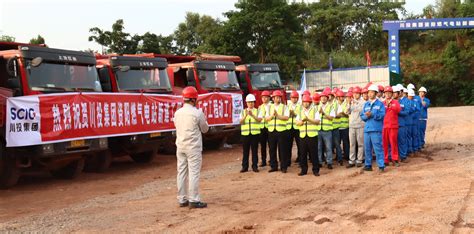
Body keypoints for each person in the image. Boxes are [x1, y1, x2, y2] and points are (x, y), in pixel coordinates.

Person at [173, 86, 209, 209]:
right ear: (194, 99)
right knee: (193, 173)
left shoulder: (177, 113)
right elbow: (205, 129)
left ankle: (182, 199)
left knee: (181, 172)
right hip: (193, 147)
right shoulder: (197, 113)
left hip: (180, 146)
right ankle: (194, 199)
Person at [360, 84, 386, 172]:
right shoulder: (366, 104)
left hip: (376, 129)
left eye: (371, 92)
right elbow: (362, 116)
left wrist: (373, 114)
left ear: (375, 93)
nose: (370, 94)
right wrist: (367, 116)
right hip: (367, 129)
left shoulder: (380, 104)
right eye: (369, 92)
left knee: (378, 148)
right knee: (367, 148)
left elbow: (382, 115)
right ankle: (368, 165)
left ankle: (381, 165)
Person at [265, 90, 289, 173]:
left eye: (279, 97)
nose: (277, 99)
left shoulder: (284, 107)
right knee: (272, 149)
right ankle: (273, 166)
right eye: (276, 97)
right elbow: (266, 118)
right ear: (273, 98)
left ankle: (283, 167)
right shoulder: (269, 107)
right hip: (271, 130)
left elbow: (286, 117)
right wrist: (272, 115)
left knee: (282, 149)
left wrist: (278, 116)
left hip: (281, 131)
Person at [296, 95, 320, 176]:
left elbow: (317, 121)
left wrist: (308, 119)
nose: (305, 104)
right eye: (304, 102)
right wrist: (302, 121)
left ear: (310, 103)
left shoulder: (314, 110)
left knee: (314, 154)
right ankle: (303, 170)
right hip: (303, 135)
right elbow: (297, 122)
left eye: (307, 102)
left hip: (312, 135)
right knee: (303, 154)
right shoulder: (300, 111)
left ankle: (315, 170)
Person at [240, 94, 262, 173]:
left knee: (254, 151)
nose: (250, 104)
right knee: (245, 151)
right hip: (245, 134)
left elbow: (259, 120)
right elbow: (241, 122)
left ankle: (254, 166)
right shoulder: (243, 111)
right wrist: (246, 115)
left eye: (252, 102)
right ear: (246, 103)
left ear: (254, 102)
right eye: (249, 102)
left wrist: (252, 115)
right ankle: (244, 167)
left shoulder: (257, 110)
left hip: (255, 134)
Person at [382, 86, 401, 167]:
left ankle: (395, 159)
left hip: (393, 126)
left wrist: (391, 106)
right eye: (386, 93)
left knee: (393, 143)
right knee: (384, 144)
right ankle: (386, 159)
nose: (388, 94)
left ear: (392, 94)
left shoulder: (395, 102)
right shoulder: (382, 103)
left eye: (389, 93)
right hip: (384, 126)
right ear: (384, 94)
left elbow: (399, 110)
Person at [317, 89, 336, 169]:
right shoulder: (317, 106)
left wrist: (324, 113)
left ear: (327, 98)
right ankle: (319, 162)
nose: (323, 98)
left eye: (325, 97)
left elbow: (331, 118)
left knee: (328, 147)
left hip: (327, 130)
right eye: (322, 97)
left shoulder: (331, 106)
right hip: (318, 129)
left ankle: (329, 162)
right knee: (319, 147)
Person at [347, 86, 365, 168]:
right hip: (351, 126)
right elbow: (347, 112)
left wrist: (355, 102)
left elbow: (362, 109)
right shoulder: (351, 102)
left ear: (360, 94)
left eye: (357, 93)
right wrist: (348, 104)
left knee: (360, 144)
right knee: (352, 144)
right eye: (354, 93)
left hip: (360, 125)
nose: (355, 95)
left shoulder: (363, 102)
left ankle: (359, 160)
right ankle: (352, 160)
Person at [394, 86, 410, 163]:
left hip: (401, 124)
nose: (394, 94)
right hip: (392, 125)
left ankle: (403, 156)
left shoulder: (404, 102)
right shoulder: (389, 102)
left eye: (396, 92)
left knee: (402, 141)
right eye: (393, 92)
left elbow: (407, 112)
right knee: (393, 142)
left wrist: (399, 112)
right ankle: (394, 157)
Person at [287, 90, 301, 166]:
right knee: (288, 145)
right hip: (289, 127)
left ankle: (300, 159)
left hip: (297, 127)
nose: (294, 99)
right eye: (293, 98)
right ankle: (288, 160)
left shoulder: (300, 106)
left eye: (295, 98)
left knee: (300, 145)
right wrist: (289, 114)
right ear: (290, 98)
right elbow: (285, 116)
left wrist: (294, 114)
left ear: (298, 98)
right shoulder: (287, 106)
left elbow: (301, 116)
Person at [258, 90, 271, 167]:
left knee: (271, 145)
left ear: (269, 98)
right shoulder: (260, 107)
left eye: (266, 97)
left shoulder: (272, 106)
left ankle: (271, 160)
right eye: (263, 97)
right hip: (262, 128)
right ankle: (263, 161)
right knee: (263, 145)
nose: (264, 99)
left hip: (269, 127)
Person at [330, 89, 344, 166]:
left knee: (337, 144)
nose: (329, 97)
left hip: (335, 128)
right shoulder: (324, 105)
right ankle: (328, 160)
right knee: (328, 145)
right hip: (327, 128)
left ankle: (340, 159)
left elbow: (340, 115)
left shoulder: (336, 104)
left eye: (330, 95)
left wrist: (333, 115)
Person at [407, 89, 420, 155]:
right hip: (408, 122)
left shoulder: (415, 102)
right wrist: (412, 109)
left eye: (412, 96)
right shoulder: (406, 101)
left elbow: (417, 109)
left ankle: (415, 148)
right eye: (410, 96)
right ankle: (410, 150)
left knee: (414, 135)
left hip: (414, 121)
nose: (411, 97)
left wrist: (412, 109)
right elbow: (407, 110)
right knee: (409, 136)